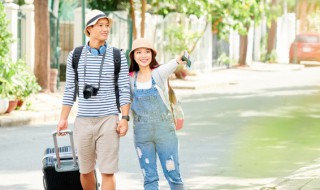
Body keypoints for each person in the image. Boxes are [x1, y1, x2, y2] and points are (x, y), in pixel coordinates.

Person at [57, 9, 131, 190]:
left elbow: (124, 88)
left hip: (108, 120)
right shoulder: (75, 55)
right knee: (85, 170)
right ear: (89, 28)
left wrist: (125, 118)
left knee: (107, 171)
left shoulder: (117, 55)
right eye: (101, 25)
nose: (105, 29)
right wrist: (63, 118)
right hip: (83, 121)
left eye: (107, 26)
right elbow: (69, 89)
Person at [129, 38, 186, 190]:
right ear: (133, 56)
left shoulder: (158, 73)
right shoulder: (129, 78)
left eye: (147, 52)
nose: (143, 55)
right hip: (142, 133)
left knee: (173, 175)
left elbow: (171, 65)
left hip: (164, 130)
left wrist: (179, 59)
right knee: (149, 178)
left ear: (152, 55)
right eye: (139, 52)